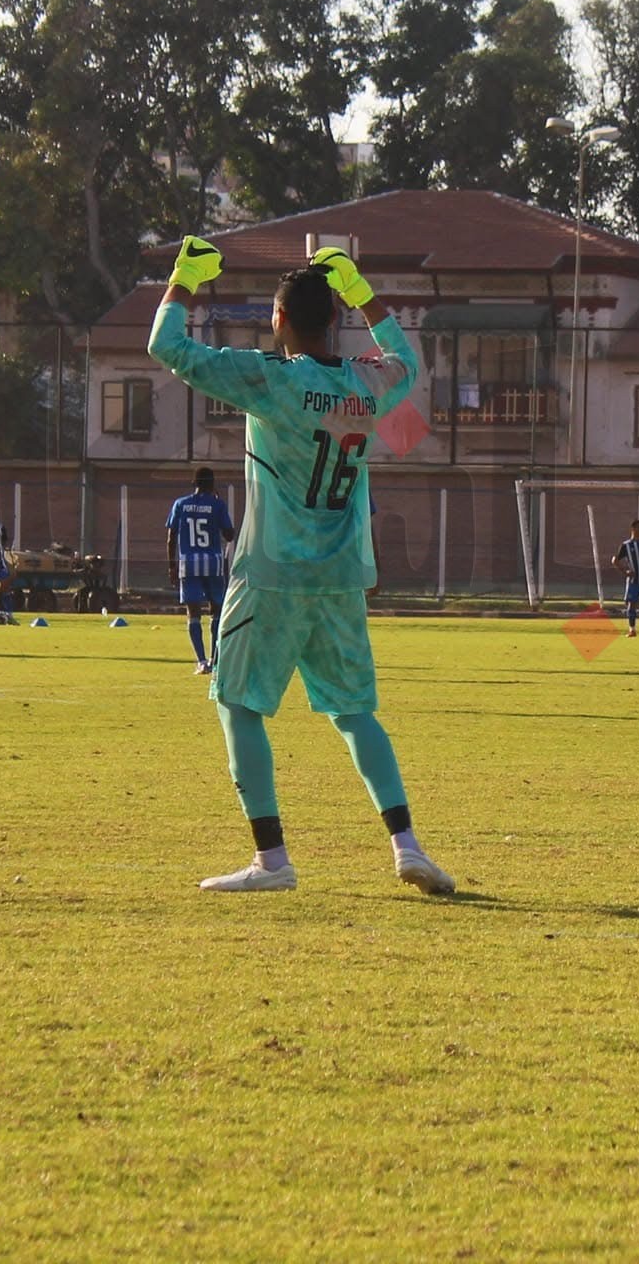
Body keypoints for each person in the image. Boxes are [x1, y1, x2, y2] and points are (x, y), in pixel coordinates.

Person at [149, 235, 453, 897]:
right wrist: (365, 293)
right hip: (341, 575)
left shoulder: (272, 379)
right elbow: (407, 359)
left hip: (273, 571)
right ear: (334, 320)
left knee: (236, 701)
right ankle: (407, 846)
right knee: (354, 713)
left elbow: (165, 349)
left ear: (278, 321)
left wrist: (183, 280)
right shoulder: (365, 385)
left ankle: (272, 861)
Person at [167, 466, 235, 675]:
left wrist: (171, 565)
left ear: (194, 483)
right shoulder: (217, 505)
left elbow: (171, 538)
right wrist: (218, 502)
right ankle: (216, 660)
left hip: (188, 563)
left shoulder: (181, 504)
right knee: (216, 611)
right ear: (212, 484)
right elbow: (230, 535)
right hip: (212, 563)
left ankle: (201, 661)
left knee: (193, 612)